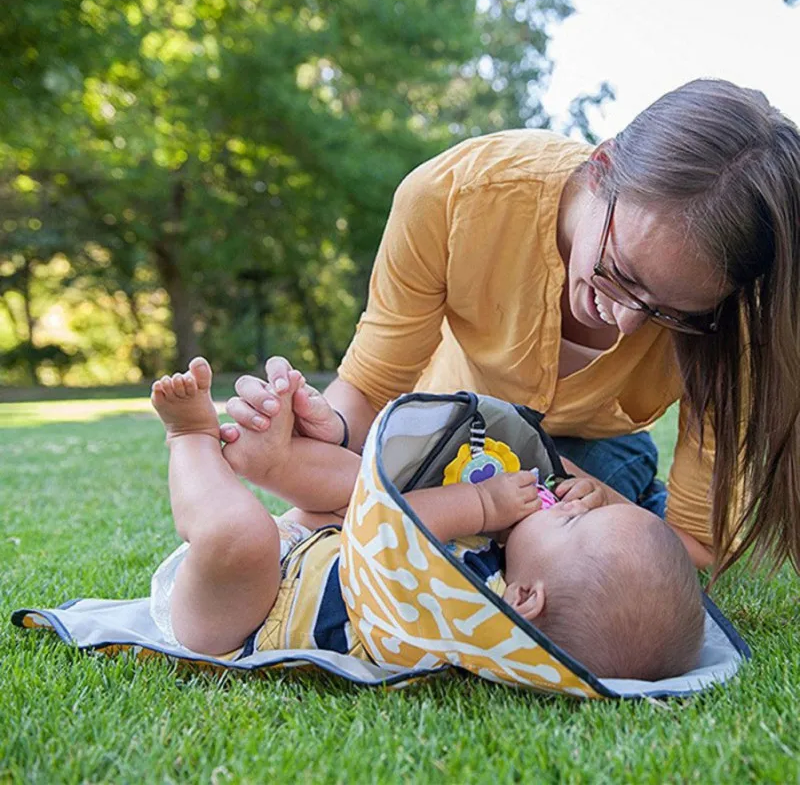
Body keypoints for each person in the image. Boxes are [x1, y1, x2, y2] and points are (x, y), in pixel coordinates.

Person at [221, 78, 800, 582]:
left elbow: (693, 550)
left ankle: (625, 488)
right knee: (394, 503)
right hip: (438, 428)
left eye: (674, 314)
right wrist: (332, 427)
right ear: (600, 168)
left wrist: (605, 507)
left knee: (544, 557)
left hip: (588, 451)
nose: (627, 322)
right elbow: (370, 394)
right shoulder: (450, 199)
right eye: (620, 274)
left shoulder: (737, 322)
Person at [149, 357, 704, 680]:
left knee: (241, 535)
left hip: (240, 617)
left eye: (573, 521)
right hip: (312, 552)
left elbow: (387, 526)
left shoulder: (471, 622)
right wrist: (581, 498)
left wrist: (482, 505)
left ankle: (190, 440)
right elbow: (371, 502)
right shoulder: (503, 565)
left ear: (526, 599)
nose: (574, 503)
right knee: (367, 483)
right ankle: (277, 463)